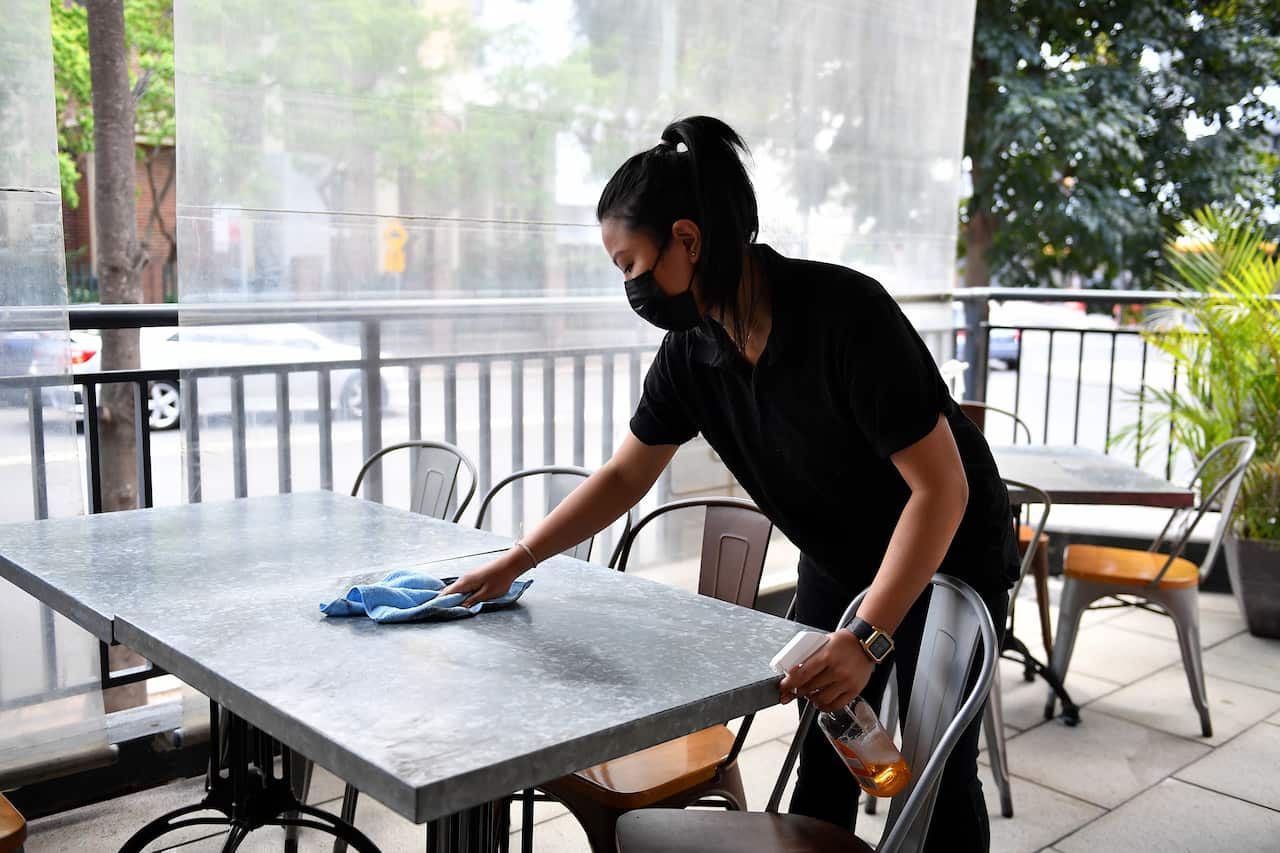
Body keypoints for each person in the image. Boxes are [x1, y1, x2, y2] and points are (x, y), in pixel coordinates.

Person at [442, 115, 1018, 849]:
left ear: (687, 239)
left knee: (936, 774)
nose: (630, 284)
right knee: (833, 744)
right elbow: (626, 473)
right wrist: (517, 560)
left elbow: (943, 490)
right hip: (841, 557)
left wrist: (867, 636)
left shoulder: (846, 315)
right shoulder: (694, 351)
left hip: (948, 555)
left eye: (629, 263)